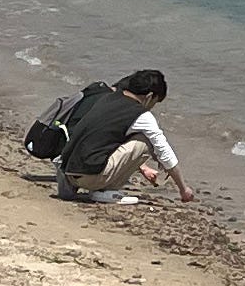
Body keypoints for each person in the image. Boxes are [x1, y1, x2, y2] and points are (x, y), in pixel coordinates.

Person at [50, 69, 192, 203]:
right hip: (89, 176)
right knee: (145, 141)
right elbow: (165, 153)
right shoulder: (141, 115)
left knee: (116, 136)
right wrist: (183, 189)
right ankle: (105, 190)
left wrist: (146, 166)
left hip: (68, 169)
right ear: (149, 97)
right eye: (155, 102)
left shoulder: (108, 98)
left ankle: (75, 184)